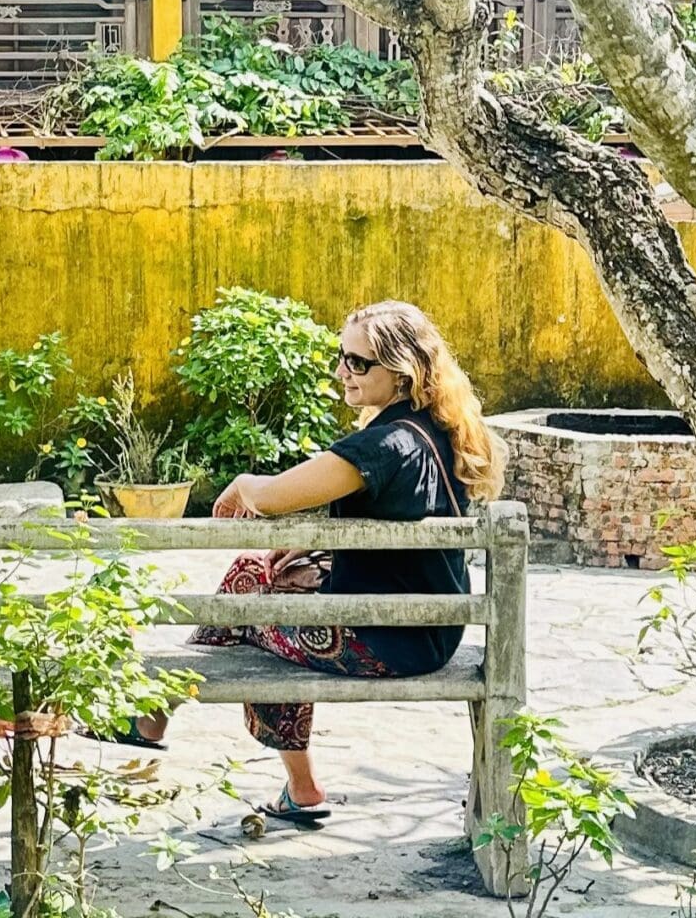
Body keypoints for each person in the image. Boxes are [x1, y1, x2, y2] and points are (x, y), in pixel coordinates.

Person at [102, 300, 505, 828]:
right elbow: (402, 534)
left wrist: (245, 484)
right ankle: (272, 773)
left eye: (359, 363)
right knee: (253, 576)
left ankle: (162, 715)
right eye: (342, 357)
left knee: (246, 600)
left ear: (403, 372)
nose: (343, 371)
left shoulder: (385, 445)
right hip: (427, 626)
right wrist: (324, 556)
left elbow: (270, 497)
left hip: (388, 642)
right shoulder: (432, 428)